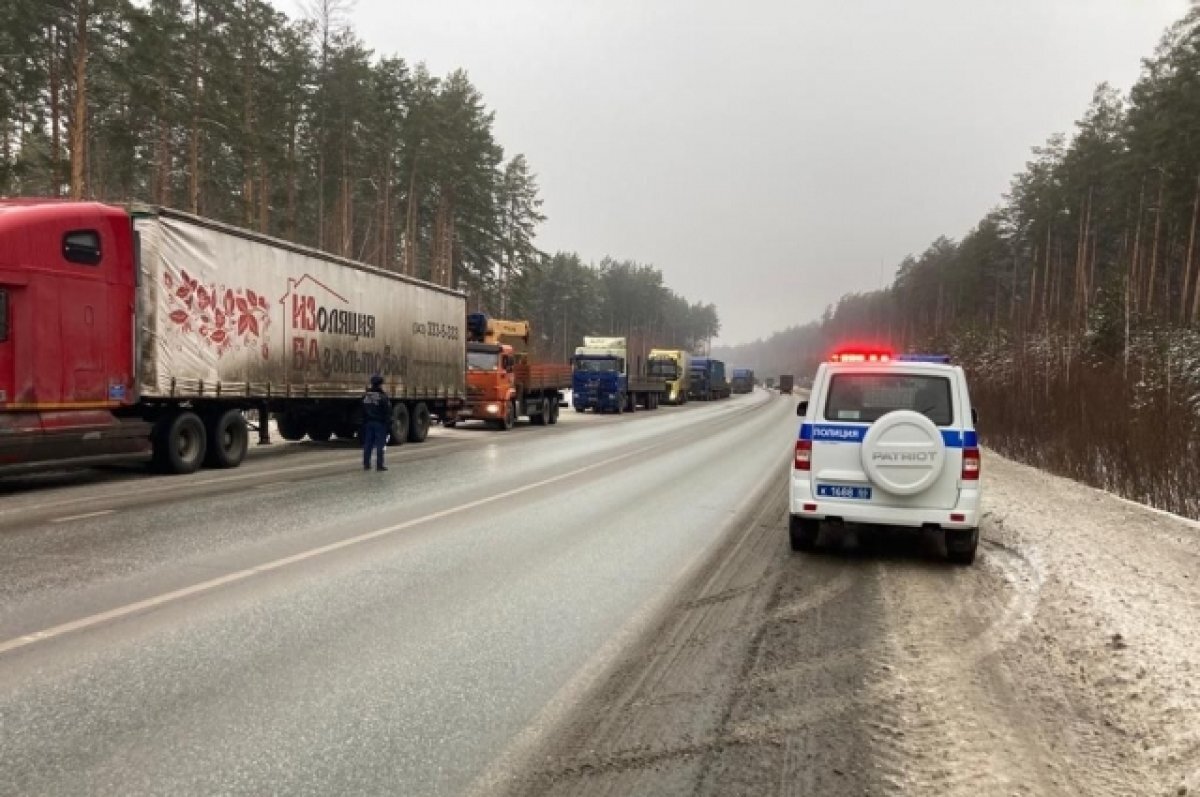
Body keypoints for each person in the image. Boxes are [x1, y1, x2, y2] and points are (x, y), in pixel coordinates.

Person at [362, 374, 392, 471]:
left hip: (368, 423)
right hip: (380, 423)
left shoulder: (366, 396)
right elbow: (387, 412)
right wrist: (388, 425)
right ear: (380, 385)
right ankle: (379, 465)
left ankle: (366, 464)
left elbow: (362, 410)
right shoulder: (383, 397)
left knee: (368, 444)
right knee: (380, 444)